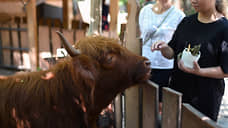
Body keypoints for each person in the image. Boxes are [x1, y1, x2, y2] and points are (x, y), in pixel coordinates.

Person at [151, 0, 228, 121]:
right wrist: (164, 48)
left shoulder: (224, 28)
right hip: (178, 94)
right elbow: (172, 52)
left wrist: (200, 72)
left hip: (205, 99)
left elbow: (225, 70)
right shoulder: (186, 22)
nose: (193, 0)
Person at [139, 0, 185, 107]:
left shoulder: (179, 16)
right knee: (144, 103)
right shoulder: (145, 11)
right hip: (145, 64)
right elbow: (142, 36)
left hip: (165, 67)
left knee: (160, 105)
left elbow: (178, 45)